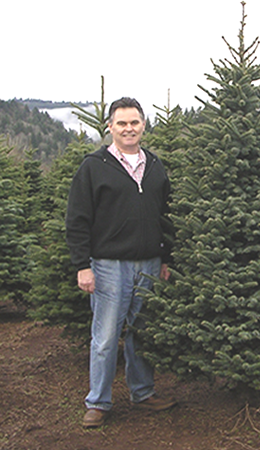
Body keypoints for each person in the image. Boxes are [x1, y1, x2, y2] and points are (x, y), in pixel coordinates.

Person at [66, 97, 176, 428]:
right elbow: (77, 219)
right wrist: (82, 265)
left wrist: (166, 258)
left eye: (135, 122)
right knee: (104, 336)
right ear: (110, 127)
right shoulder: (93, 166)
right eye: (122, 123)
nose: (129, 129)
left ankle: (143, 393)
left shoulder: (155, 166)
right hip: (108, 265)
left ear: (144, 125)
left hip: (150, 263)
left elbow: (166, 216)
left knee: (142, 333)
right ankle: (98, 402)